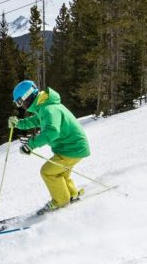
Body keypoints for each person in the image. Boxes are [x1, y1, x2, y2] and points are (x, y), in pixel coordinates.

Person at [7, 79, 90, 212]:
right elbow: (36, 120)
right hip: (73, 147)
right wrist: (19, 123)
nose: (20, 106)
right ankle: (71, 195)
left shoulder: (48, 109)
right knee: (61, 173)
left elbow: (52, 131)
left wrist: (31, 144)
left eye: (20, 102)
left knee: (47, 172)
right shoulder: (44, 106)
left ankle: (61, 201)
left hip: (72, 148)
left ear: (27, 97)